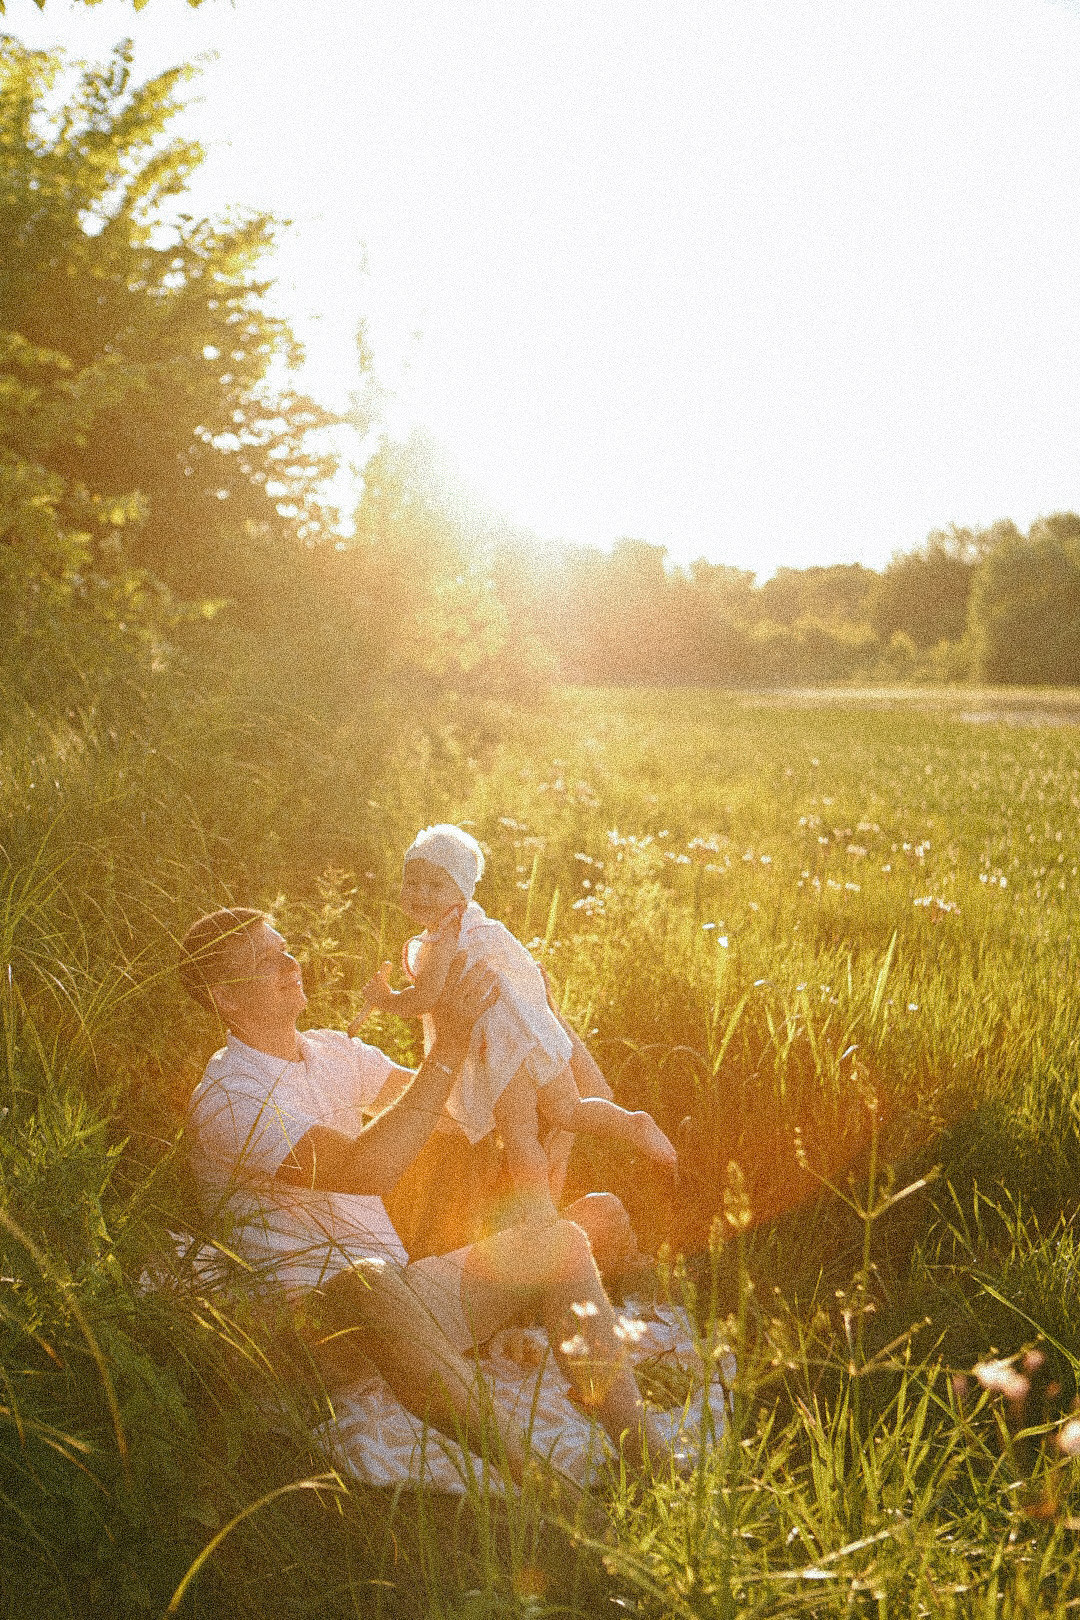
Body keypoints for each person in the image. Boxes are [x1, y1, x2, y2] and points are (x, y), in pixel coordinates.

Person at [180, 905, 674, 1491]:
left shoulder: (333, 1051)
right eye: (266, 962)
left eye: (285, 949)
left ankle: (645, 1453)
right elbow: (368, 1169)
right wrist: (447, 1051)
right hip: (308, 1325)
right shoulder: (228, 1097)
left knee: (563, 1239)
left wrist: (525, 1013)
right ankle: (538, 1484)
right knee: (368, 1281)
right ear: (225, 999)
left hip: (402, 1299)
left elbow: (456, 1113)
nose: (291, 965)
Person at [351, 825, 677, 1223]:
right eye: (412, 881)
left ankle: (540, 1218)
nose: (420, 893)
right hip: (530, 1033)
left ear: (461, 892)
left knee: (520, 1139)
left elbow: (426, 998)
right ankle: (634, 1124)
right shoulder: (475, 924)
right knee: (568, 1111)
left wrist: (383, 999)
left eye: (435, 886)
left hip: (499, 1047)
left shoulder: (443, 939)